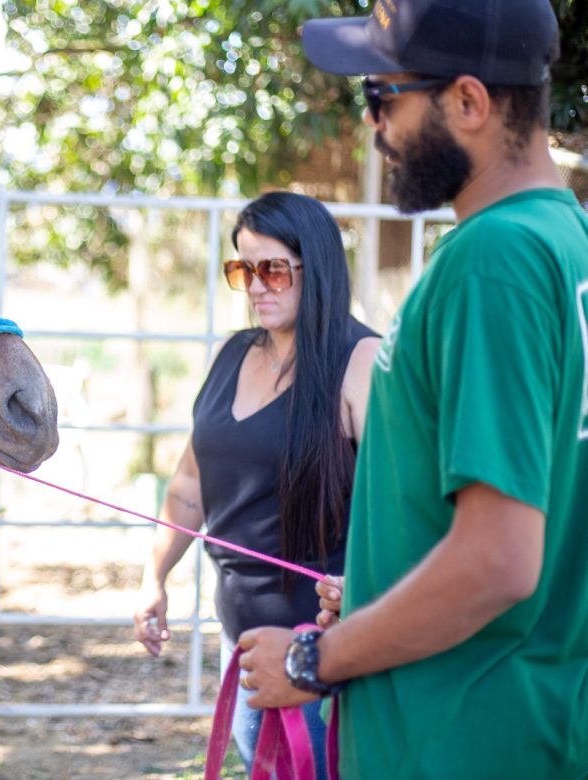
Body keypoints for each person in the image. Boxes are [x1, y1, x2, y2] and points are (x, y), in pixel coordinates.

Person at [238, 1, 588, 778]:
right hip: (529, 728)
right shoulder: (568, 242)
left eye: (383, 95)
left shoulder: (493, 260)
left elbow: (498, 559)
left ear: (468, 101)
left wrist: (311, 660)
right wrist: (380, 588)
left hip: (457, 741)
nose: (373, 123)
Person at [133, 190, 380, 778]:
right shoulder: (233, 353)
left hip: (323, 650)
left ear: (315, 267)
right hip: (242, 644)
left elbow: (401, 502)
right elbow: (190, 483)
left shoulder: (361, 360)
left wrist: (368, 587)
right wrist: (154, 576)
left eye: (273, 269)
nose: (256, 287)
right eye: (242, 270)